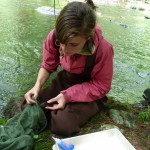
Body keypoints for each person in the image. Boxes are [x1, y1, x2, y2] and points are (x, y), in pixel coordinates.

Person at [24, 0, 114, 136]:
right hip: (65, 81)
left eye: (73, 44)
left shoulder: (104, 49)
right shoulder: (54, 36)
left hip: (92, 91)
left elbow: (101, 85)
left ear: (88, 37)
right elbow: (48, 65)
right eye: (61, 42)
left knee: (62, 124)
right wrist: (37, 86)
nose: (64, 50)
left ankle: (61, 115)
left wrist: (68, 96)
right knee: (28, 108)